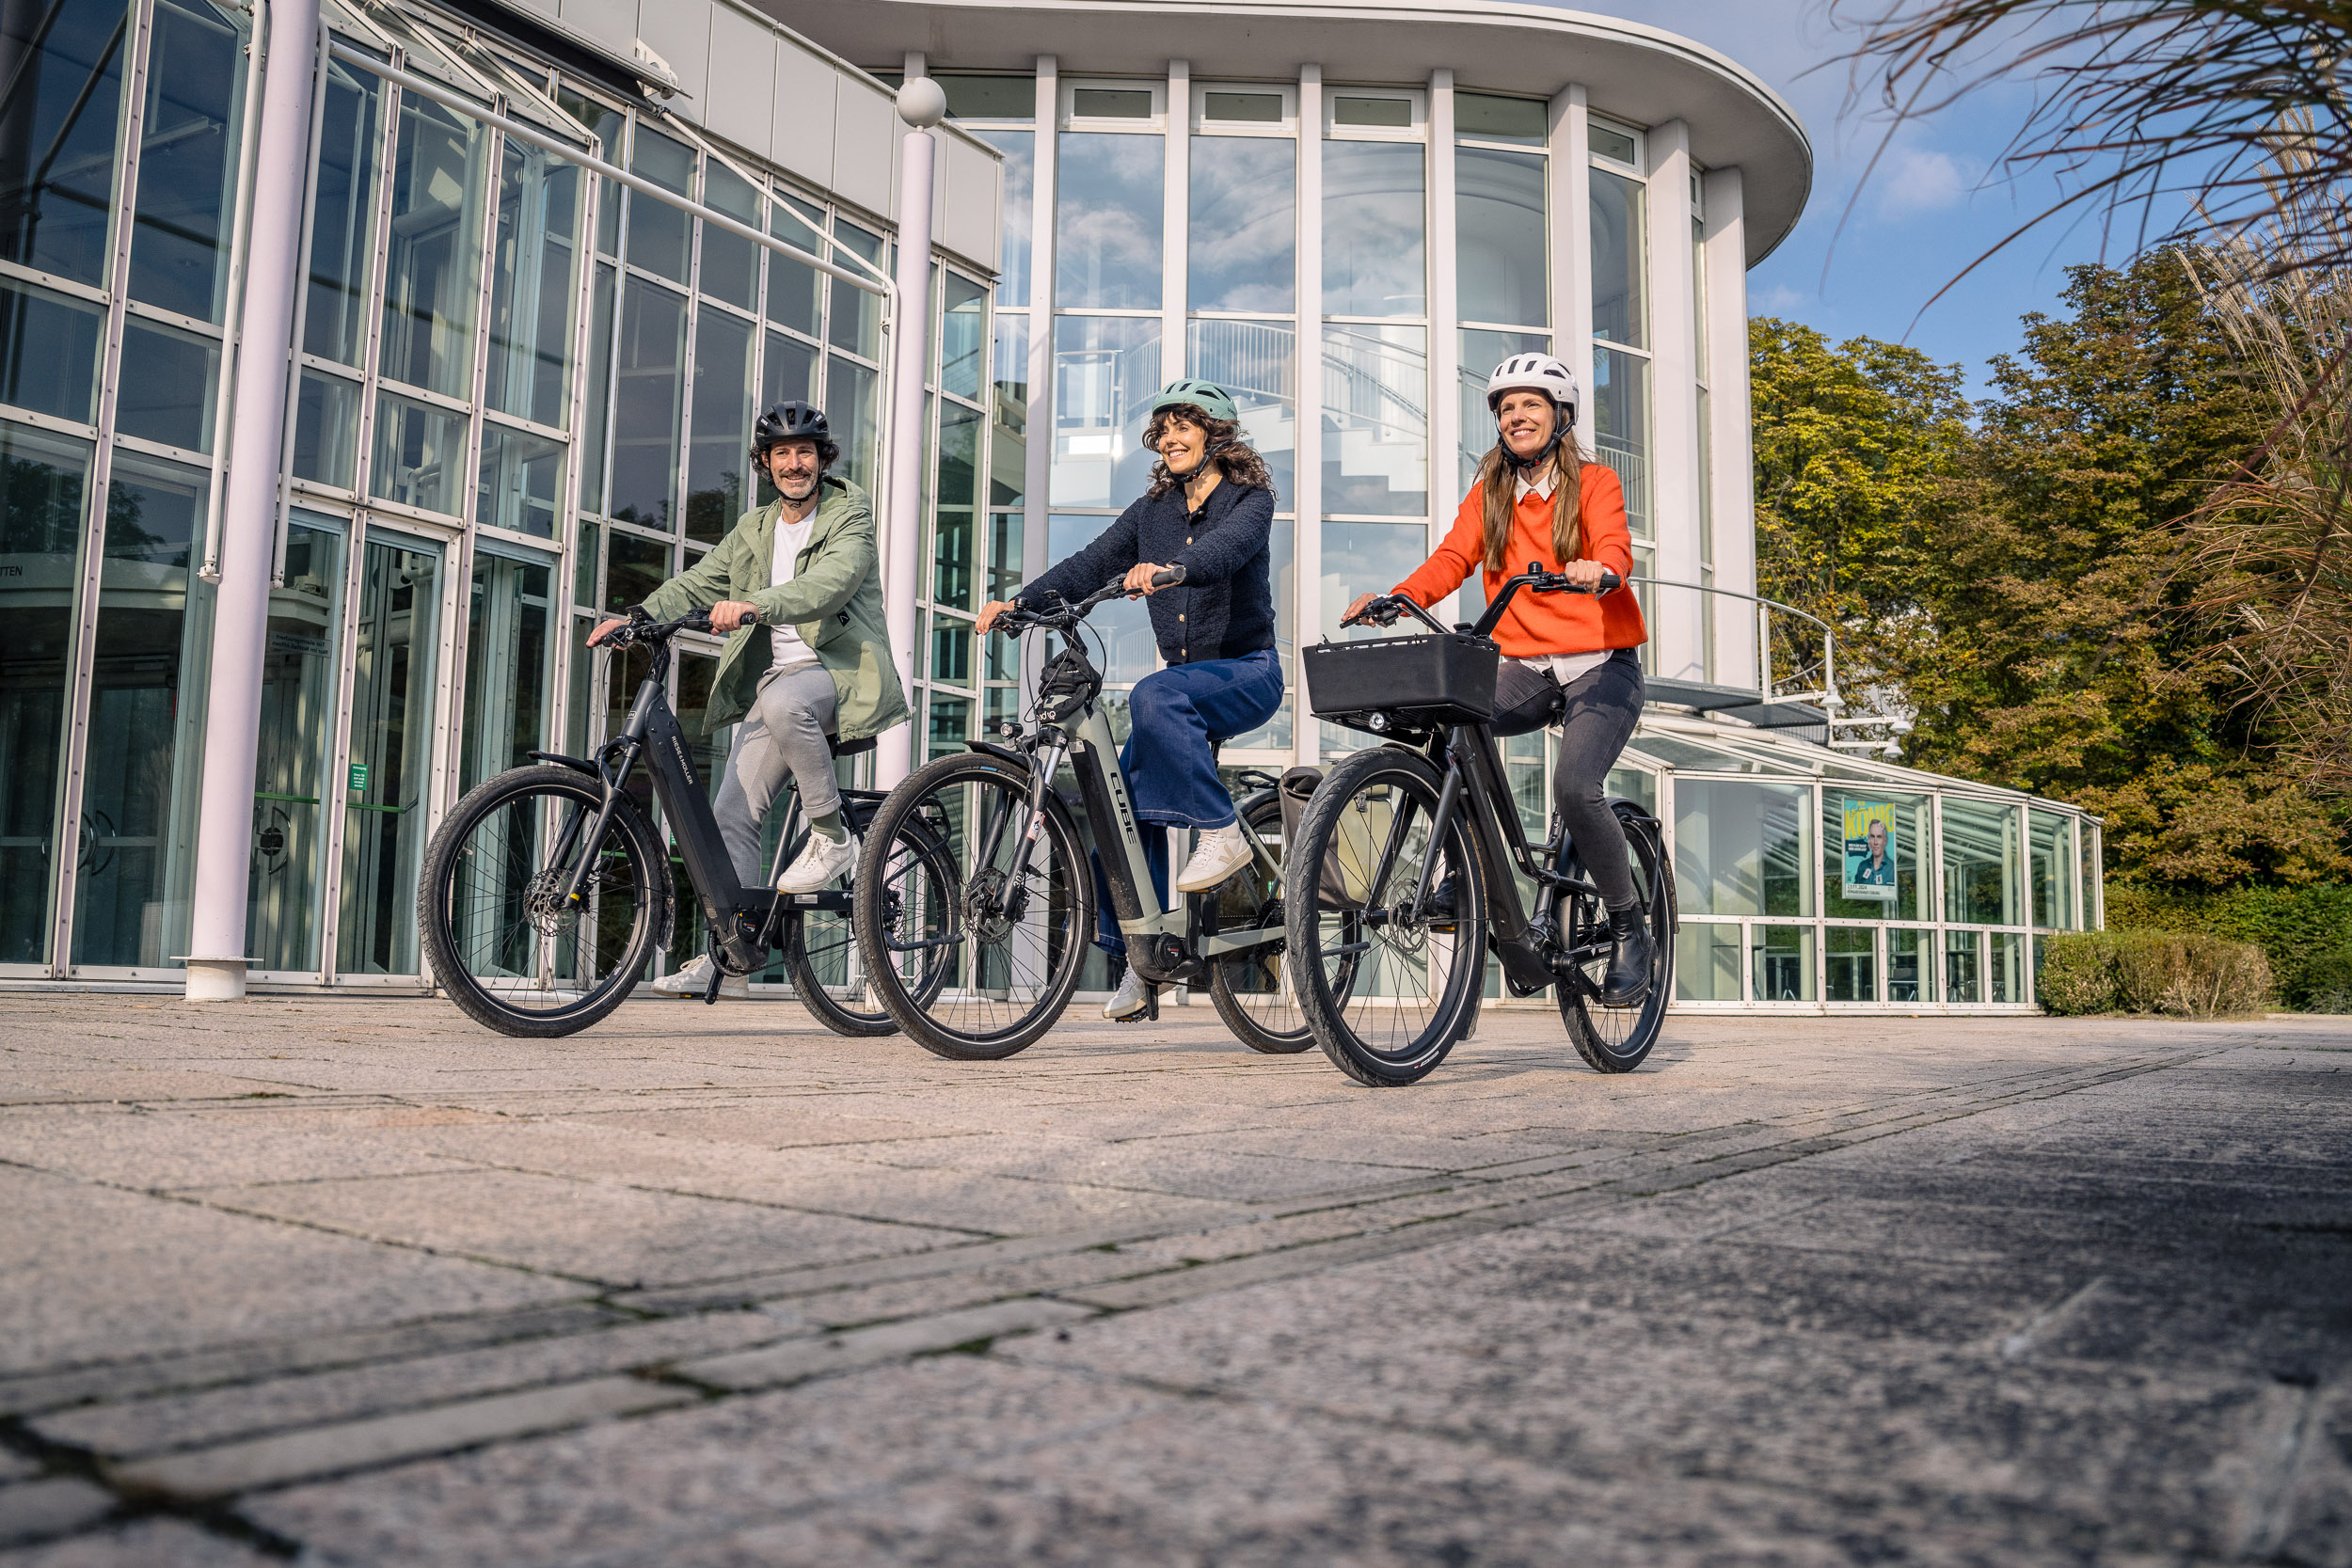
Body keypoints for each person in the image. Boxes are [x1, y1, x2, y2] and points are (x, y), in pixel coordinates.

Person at [1345, 353, 1655, 1006]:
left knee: (1576, 787)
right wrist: (1397, 598)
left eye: (1531, 405)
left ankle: (1630, 925)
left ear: (1560, 417)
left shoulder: (1594, 482)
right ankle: (1470, 871)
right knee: (1453, 719)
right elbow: (1452, 557)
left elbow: (1615, 544)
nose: (1516, 415)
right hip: (1529, 667)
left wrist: (1600, 569)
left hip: (1602, 663)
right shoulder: (1490, 493)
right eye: (1506, 407)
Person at [977, 379, 1282, 1021]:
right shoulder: (1152, 514)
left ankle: (1222, 832)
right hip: (1183, 689)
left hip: (1245, 673)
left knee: (1153, 695)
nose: (1170, 437)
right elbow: (1089, 564)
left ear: (1216, 434)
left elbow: (1226, 553)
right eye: (1163, 428)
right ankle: (1144, 965)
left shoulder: (1249, 500)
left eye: (1184, 425)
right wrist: (1018, 604)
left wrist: (1174, 569)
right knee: (1117, 816)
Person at [590, 401, 908, 999]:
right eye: (782, 453)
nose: (795, 463)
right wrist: (636, 615)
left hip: (836, 674)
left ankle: (832, 835)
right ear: (766, 464)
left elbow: (829, 583)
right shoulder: (755, 530)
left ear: (822, 459)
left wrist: (757, 605)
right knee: (731, 815)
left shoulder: (850, 514)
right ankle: (733, 960)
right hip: (777, 683)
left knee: (788, 701)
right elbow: (700, 580)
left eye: (805, 452)